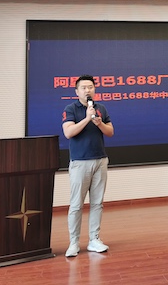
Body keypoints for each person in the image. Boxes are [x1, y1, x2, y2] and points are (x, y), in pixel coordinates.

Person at [62, 74, 114, 257]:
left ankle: (94, 239)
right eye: (83, 88)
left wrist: (99, 123)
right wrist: (86, 119)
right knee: (76, 204)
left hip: (100, 160)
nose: (87, 90)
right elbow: (68, 132)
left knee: (97, 203)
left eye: (90, 87)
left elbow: (110, 132)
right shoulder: (70, 109)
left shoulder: (101, 108)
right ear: (77, 91)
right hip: (80, 162)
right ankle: (73, 242)